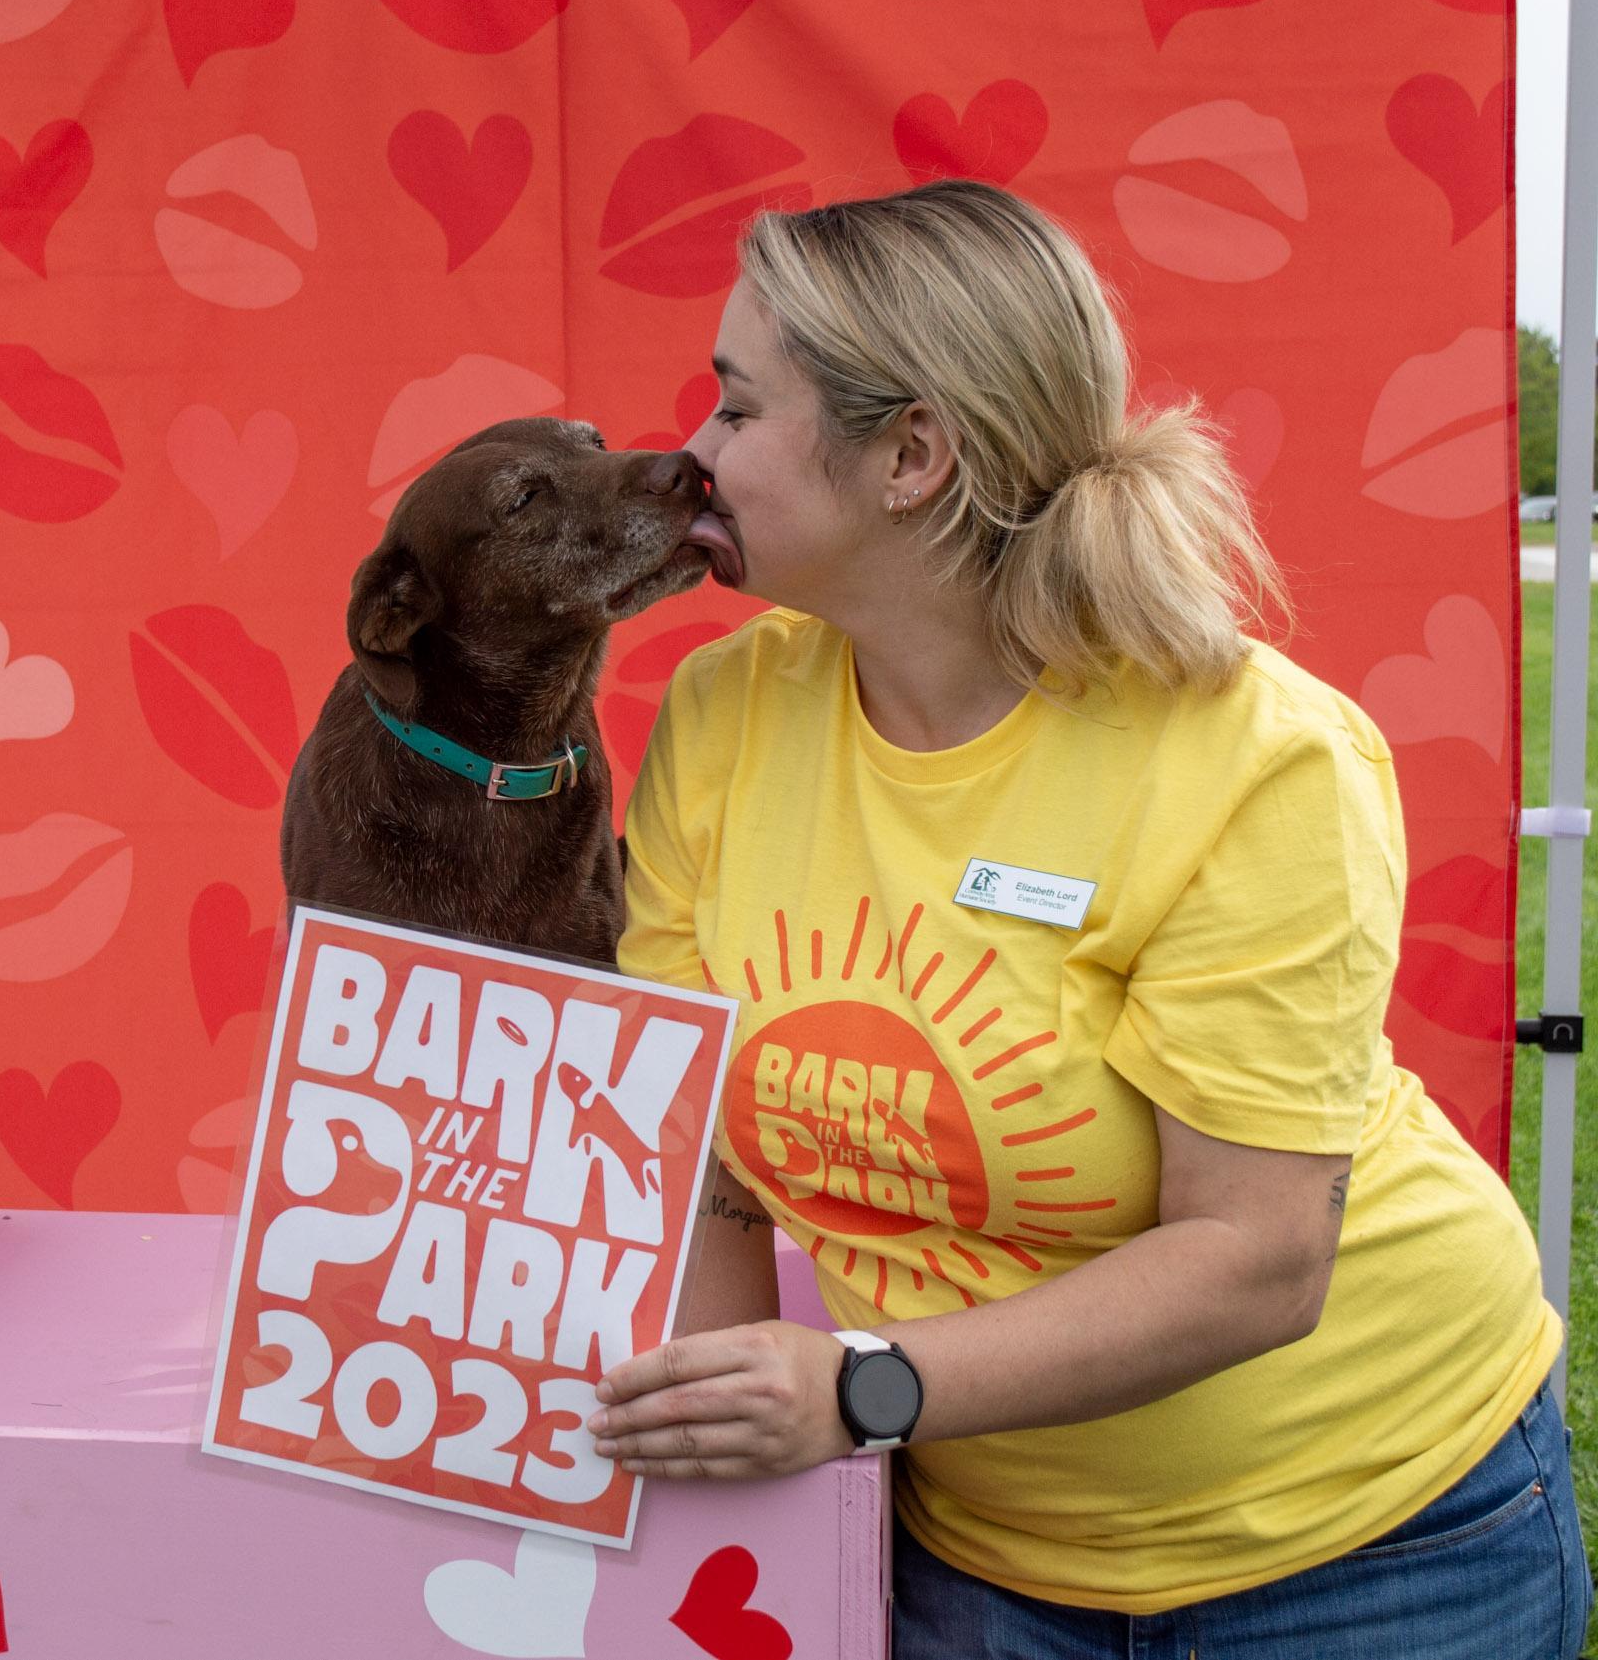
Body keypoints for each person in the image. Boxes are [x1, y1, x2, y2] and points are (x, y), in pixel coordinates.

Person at [591, 179, 1592, 1659]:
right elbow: (704, 1159)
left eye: (738, 410)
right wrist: (730, 1444)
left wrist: (854, 1389)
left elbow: (1254, 1259)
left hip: (1373, 1545)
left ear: (911, 456)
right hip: (979, 1557)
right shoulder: (723, 715)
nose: (693, 454)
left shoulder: (1256, 758)